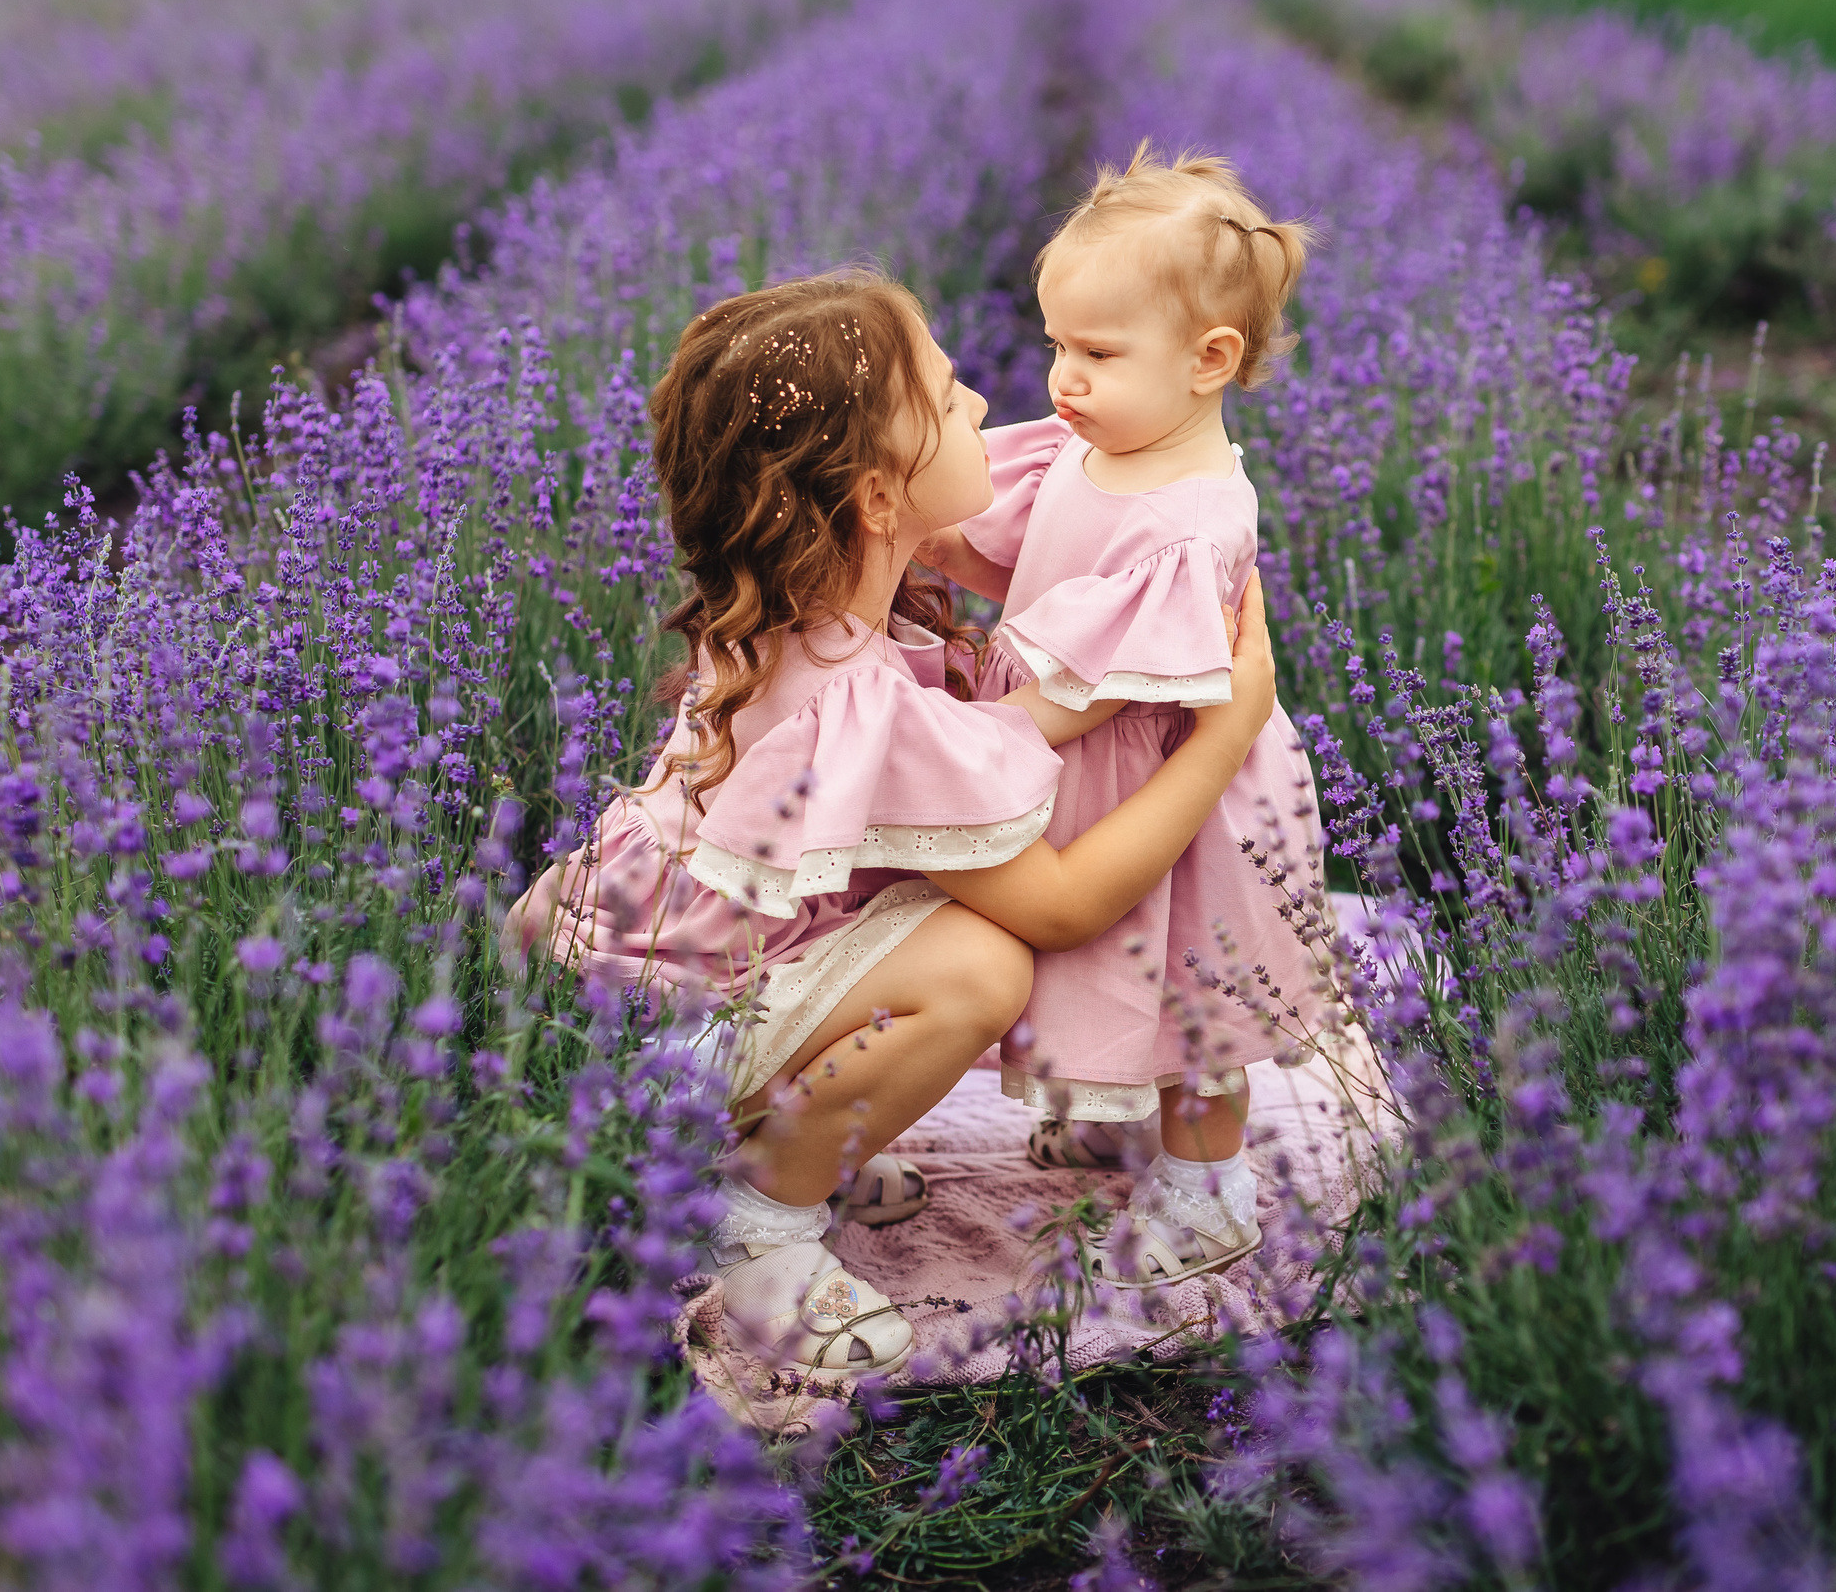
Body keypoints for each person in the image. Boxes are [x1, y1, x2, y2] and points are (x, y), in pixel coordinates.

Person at [510, 268, 1277, 1375]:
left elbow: (992, 729)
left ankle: (792, 1121)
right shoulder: (853, 701)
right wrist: (1221, 733)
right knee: (978, 965)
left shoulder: (798, 616)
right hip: (661, 1039)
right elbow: (1064, 906)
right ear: (876, 499)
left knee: (940, 908)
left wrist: (1097, 669)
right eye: (953, 394)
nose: (984, 404)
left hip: (633, 968)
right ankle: (759, 1221)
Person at [913, 146, 1331, 1288]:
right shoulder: (1095, 448)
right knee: (1109, 965)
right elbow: (1017, 549)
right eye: (1057, 345)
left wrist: (978, 739)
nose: (1064, 377)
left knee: (1188, 992)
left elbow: (1087, 691)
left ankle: (1207, 1192)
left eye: (1097, 354)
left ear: (1210, 361)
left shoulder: (1190, 521)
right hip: (1094, 766)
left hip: (1168, 789)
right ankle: (1113, 1116)